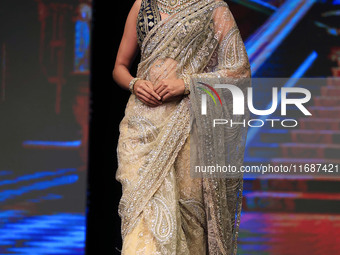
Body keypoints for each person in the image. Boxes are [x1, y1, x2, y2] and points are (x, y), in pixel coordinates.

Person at [113, 0, 251, 254]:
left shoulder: (213, 8)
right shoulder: (142, 4)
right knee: (139, 216)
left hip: (189, 128)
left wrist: (187, 83)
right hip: (140, 127)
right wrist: (134, 83)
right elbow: (119, 67)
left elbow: (239, 71)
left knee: (189, 223)